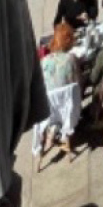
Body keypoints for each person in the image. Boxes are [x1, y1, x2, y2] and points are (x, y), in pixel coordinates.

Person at [37, 21, 82, 157]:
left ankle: (53, 128)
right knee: (76, 86)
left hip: (50, 109)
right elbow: (78, 82)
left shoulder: (44, 62)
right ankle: (64, 128)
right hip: (69, 109)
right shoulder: (71, 59)